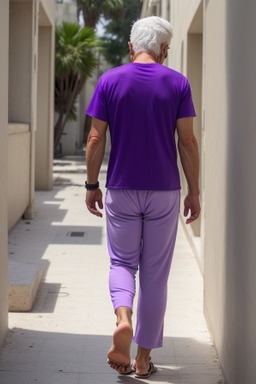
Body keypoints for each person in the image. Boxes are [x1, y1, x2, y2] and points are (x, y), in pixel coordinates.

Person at [85, 16, 200, 379]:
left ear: (132, 47)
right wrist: (194, 190)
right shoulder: (177, 82)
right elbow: (187, 141)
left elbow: (94, 138)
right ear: (164, 49)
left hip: (121, 188)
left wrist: (91, 186)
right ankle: (143, 359)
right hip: (164, 190)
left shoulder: (109, 80)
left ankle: (123, 318)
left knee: (121, 263)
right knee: (155, 276)